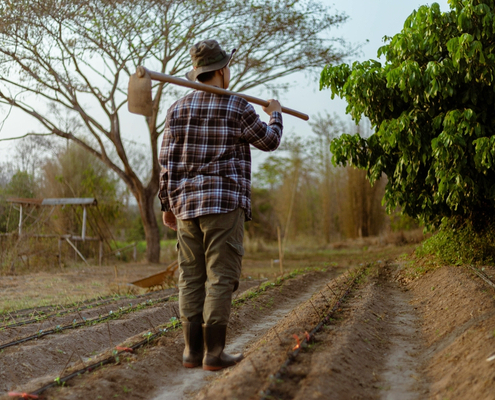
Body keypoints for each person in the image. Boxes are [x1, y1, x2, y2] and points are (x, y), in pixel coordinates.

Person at [158, 39, 283, 371]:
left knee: (190, 276)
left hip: (185, 207)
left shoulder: (176, 109)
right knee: (221, 276)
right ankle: (214, 354)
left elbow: (166, 164)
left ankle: (191, 352)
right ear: (223, 71)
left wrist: (166, 205)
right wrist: (276, 114)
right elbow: (269, 141)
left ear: (198, 73)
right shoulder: (238, 107)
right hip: (223, 204)